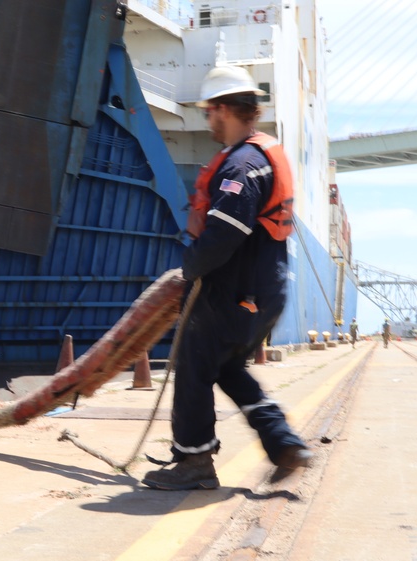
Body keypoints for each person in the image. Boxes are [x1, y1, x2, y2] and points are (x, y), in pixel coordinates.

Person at [141, 65, 310, 491]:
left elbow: (223, 234)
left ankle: (194, 461)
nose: (208, 121)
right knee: (228, 367)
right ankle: (283, 442)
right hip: (263, 292)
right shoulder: (260, 156)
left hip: (231, 290)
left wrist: (189, 269)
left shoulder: (242, 165)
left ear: (221, 109)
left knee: (194, 369)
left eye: (208, 112)